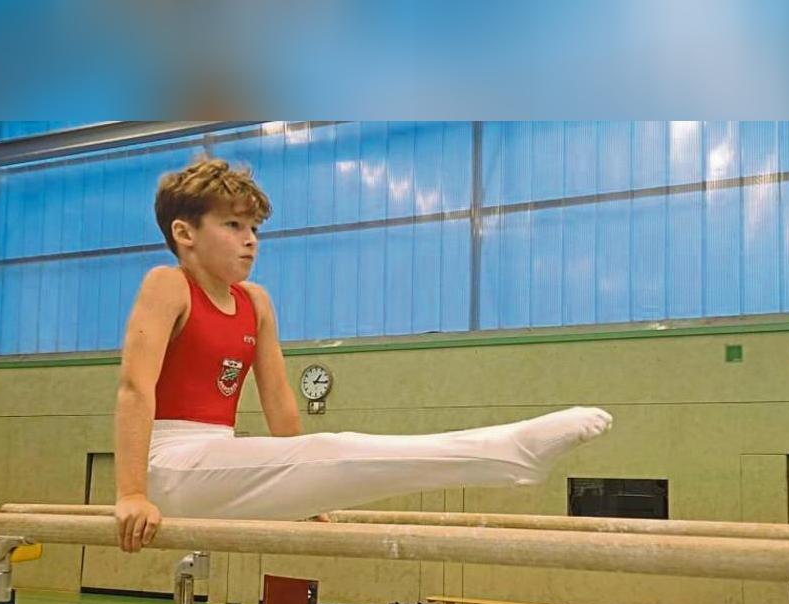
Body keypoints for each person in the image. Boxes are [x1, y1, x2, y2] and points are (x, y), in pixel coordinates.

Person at [114, 156, 612, 553]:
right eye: (233, 226)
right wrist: (132, 493)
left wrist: (307, 490)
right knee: (334, 447)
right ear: (185, 234)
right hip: (168, 462)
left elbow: (279, 399)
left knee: (325, 452)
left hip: (218, 459)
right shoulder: (168, 286)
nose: (249, 242)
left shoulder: (255, 303)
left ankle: (509, 455)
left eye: (255, 230)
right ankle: (513, 454)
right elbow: (135, 389)